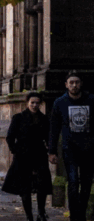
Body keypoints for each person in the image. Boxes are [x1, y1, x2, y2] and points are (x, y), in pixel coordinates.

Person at [48, 72, 94, 221]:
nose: (74, 85)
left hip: (89, 149)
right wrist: (52, 151)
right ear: (66, 85)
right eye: (71, 82)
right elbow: (54, 128)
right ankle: (75, 216)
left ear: (81, 84)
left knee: (86, 183)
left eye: (77, 82)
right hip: (70, 149)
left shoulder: (91, 100)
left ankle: (81, 213)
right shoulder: (60, 102)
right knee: (73, 182)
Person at [3, 91, 52, 221]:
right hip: (22, 156)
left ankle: (41, 212)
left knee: (42, 185)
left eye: (37, 103)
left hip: (39, 154)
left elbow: (48, 137)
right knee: (24, 188)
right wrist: (15, 150)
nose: (35, 105)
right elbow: (10, 137)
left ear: (40, 104)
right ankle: (29, 216)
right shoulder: (18, 118)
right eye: (32, 103)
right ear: (27, 103)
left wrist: (50, 150)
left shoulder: (44, 119)